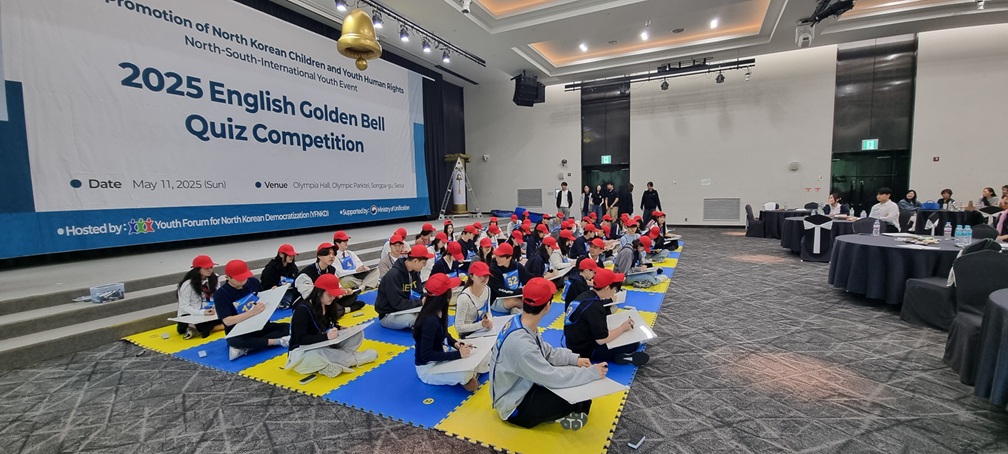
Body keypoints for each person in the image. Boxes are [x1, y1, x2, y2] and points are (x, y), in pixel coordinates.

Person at [489, 277, 606, 430]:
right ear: (548, 306)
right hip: (513, 406)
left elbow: (546, 351)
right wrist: (591, 373)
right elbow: (551, 376)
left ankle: (571, 411)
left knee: (579, 384)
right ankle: (569, 412)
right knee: (576, 394)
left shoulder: (521, 321)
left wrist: (574, 360)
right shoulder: (522, 343)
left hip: (523, 383)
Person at [285, 274, 378, 377]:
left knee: (357, 333)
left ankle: (334, 361)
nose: (333, 298)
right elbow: (301, 339)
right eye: (329, 295)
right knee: (318, 353)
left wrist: (339, 328)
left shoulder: (328, 305)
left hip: (325, 344)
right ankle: (352, 359)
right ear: (319, 293)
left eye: (334, 295)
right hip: (303, 352)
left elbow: (328, 325)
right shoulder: (302, 310)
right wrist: (326, 337)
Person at [564, 268, 650, 366]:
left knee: (616, 330)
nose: (614, 292)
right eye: (615, 289)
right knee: (633, 344)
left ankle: (618, 356)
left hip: (574, 343)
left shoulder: (587, 295)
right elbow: (601, 340)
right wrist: (623, 328)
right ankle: (618, 356)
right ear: (607, 288)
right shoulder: (594, 307)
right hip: (585, 351)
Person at [413, 273, 480, 392]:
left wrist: (455, 343)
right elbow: (426, 355)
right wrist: (458, 355)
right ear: (445, 296)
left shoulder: (439, 311)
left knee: (477, 358)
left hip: (441, 356)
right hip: (428, 368)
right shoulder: (430, 320)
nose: (452, 291)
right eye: (450, 290)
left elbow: (443, 333)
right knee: (469, 377)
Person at [213, 260, 290, 361]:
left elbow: (262, 298)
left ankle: (249, 347)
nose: (243, 281)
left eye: (244, 277)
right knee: (234, 340)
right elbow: (227, 321)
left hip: (260, 324)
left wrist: (274, 293)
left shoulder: (253, 282)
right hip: (239, 330)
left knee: (288, 327)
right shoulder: (221, 294)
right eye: (239, 279)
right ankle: (277, 341)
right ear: (228, 277)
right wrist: (251, 313)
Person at [375, 245, 432, 329]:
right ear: (415, 261)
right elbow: (397, 303)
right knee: (414, 319)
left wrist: (426, 298)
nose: (424, 266)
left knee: (433, 313)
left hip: (407, 309)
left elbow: (419, 292)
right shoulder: (393, 276)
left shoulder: (414, 272)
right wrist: (420, 303)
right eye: (423, 263)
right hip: (390, 313)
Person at [296, 243, 363, 311]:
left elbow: (336, 288)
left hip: (327, 298)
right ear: (319, 256)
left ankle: (339, 309)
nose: (331, 256)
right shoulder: (306, 274)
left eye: (333, 254)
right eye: (327, 254)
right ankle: (345, 309)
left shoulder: (331, 270)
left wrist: (344, 291)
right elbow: (309, 297)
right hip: (307, 303)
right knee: (323, 307)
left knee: (352, 295)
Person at [176, 254, 224, 339]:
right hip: (193, 314)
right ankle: (194, 327)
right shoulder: (187, 285)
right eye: (206, 268)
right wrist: (202, 312)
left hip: (210, 312)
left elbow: (217, 296)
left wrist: (216, 309)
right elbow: (184, 307)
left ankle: (195, 329)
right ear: (197, 270)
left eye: (211, 267)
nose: (210, 270)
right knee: (205, 324)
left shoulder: (215, 278)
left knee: (229, 314)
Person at [488, 243, 532, 314]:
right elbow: (500, 290)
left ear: (509, 258)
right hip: (498, 299)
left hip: (515, 295)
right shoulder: (493, 269)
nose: (497, 259)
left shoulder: (517, 266)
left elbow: (528, 278)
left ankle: (517, 310)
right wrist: (521, 291)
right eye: (497, 255)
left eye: (501, 257)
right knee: (515, 301)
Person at [454, 261, 494, 339]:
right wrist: (481, 325)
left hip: (483, 331)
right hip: (467, 335)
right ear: (471, 277)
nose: (484, 278)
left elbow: (488, 310)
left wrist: (489, 320)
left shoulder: (487, 289)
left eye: (486, 275)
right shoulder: (464, 298)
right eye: (480, 275)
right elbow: (458, 327)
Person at [260, 244, 300, 309]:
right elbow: (265, 286)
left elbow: (297, 278)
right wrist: (274, 287)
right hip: (276, 294)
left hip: (290, 291)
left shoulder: (292, 266)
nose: (292, 257)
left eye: (293, 255)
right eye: (289, 255)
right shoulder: (270, 269)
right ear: (281, 254)